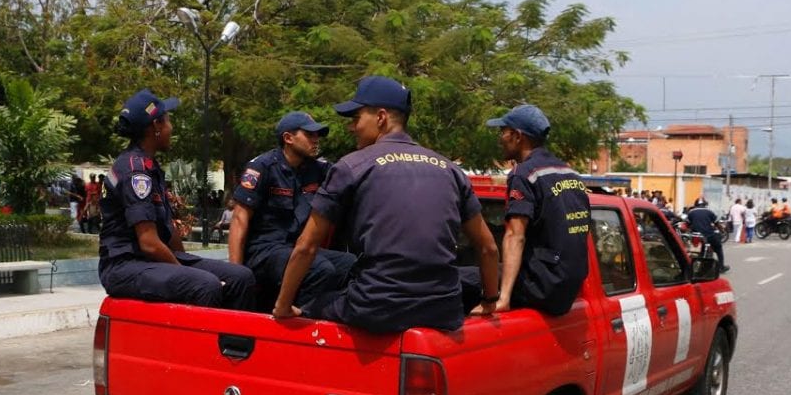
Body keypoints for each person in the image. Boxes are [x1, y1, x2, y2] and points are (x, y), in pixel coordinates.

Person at [273, 75, 500, 332]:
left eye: (356, 118)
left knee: (311, 305)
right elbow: (488, 247)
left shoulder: (351, 166)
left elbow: (306, 247)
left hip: (377, 307)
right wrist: (490, 301)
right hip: (443, 309)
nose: (351, 127)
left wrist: (283, 306)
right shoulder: (450, 170)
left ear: (381, 117)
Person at [98, 88, 255, 309]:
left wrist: (186, 261)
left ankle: (234, 341)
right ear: (156, 126)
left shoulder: (149, 166)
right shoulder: (136, 172)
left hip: (148, 262)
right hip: (125, 265)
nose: (171, 128)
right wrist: (187, 272)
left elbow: (167, 228)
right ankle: (202, 344)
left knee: (241, 277)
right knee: (206, 285)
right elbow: (149, 243)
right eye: (168, 121)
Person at [229, 111, 355, 307]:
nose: (316, 140)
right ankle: (295, 327)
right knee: (320, 269)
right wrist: (236, 273)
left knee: (350, 264)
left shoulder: (318, 169)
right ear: (288, 138)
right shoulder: (262, 167)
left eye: (317, 135)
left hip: (296, 250)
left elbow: (350, 180)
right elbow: (239, 218)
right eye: (309, 135)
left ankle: (322, 317)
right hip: (264, 251)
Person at [480, 103, 591, 315]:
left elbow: (515, 236)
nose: (500, 138)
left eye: (503, 132)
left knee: (460, 278)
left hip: (540, 288)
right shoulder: (569, 174)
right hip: (567, 288)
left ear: (517, 136)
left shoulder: (524, 174)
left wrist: (502, 298)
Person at [687, 197, 729, 272]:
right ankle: (721, 267)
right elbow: (717, 223)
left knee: (690, 251)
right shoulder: (709, 211)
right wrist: (722, 230)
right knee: (718, 247)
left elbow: (687, 224)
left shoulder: (691, 212)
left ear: (696, 204)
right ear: (705, 204)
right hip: (708, 235)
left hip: (695, 236)